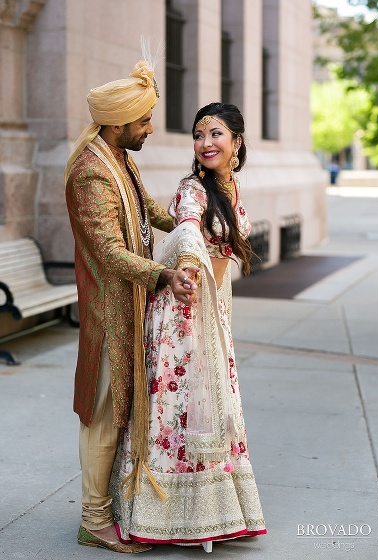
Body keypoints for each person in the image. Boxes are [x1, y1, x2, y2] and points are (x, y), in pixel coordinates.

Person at [110, 103, 266, 551]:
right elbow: (188, 231)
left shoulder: (229, 188)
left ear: (237, 142)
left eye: (215, 133)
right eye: (199, 135)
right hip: (183, 312)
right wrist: (185, 266)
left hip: (215, 307)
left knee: (212, 406)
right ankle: (161, 515)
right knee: (178, 409)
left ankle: (208, 512)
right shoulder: (193, 190)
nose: (205, 143)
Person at [65, 54, 198, 553]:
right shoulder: (91, 172)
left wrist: (194, 226)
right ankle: (94, 521)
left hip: (133, 306)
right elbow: (109, 251)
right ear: (119, 123)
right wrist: (164, 274)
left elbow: (150, 213)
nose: (150, 128)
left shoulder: (119, 158)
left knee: (121, 413)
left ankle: (110, 507)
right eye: (143, 120)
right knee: (103, 415)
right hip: (109, 314)